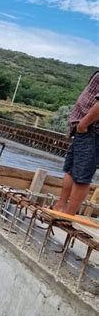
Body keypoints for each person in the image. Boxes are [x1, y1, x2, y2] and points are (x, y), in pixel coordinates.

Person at [55, 71, 99, 215]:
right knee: (71, 169)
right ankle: (60, 207)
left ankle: (68, 215)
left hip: (92, 130)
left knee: (82, 176)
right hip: (84, 130)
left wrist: (83, 124)